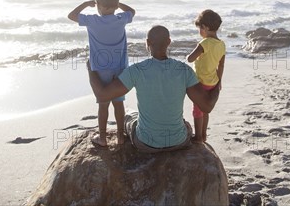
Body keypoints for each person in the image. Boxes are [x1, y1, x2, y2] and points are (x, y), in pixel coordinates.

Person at [87, 25, 220, 152]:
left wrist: (91, 68)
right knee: (185, 125)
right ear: (169, 42)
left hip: (145, 143)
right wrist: (217, 85)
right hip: (178, 142)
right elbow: (206, 107)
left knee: (129, 115)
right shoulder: (184, 70)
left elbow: (102, 95)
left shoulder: (137, 70)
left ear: (147, 43)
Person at [68, 0, 135, 147]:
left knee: (103, 103)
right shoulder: (121, 18)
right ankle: (120, 136)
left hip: (101, 68)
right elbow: (132, 11)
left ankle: (103, 137)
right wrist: (119, 4)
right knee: (119, 103)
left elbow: (71, 15)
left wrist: (85, 3)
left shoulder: (92, 20)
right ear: (115, 4)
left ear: (98, 5)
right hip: (120, 67)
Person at [186, 10, 225, 143]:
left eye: (200, 28)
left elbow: (190, 59)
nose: (200, 32)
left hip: (200, 82)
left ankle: (198, 137)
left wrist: (189, 54)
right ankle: (203, 135)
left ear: (206, 28)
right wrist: (219, 81)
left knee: (197, 110)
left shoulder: (204, 43)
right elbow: (221, 66)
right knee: (205, 109)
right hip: (213, 82)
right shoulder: (222, 45)